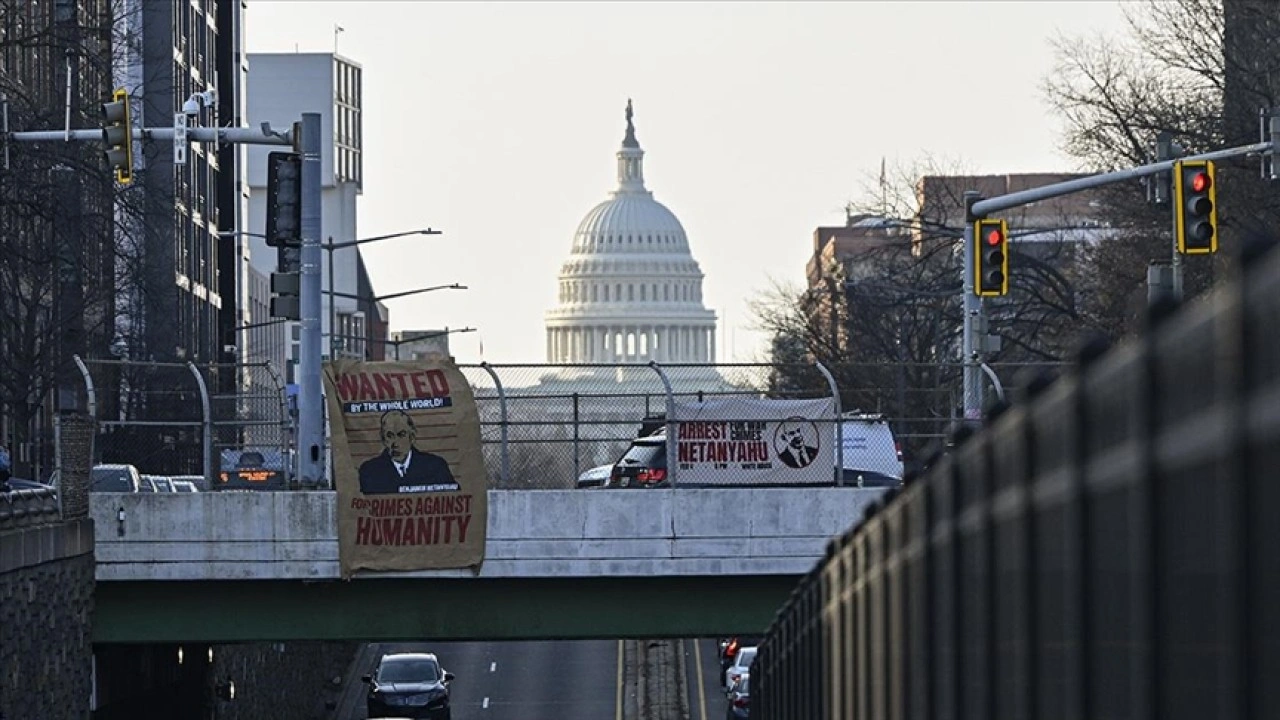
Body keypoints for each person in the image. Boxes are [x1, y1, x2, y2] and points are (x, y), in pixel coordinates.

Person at [358, 410, 459, 494]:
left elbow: (455, 498)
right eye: (390, 436)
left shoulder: (436, 466)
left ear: (412, 437)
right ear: (383, 439)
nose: (395, 443)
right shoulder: (369, 471)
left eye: (401, 435)